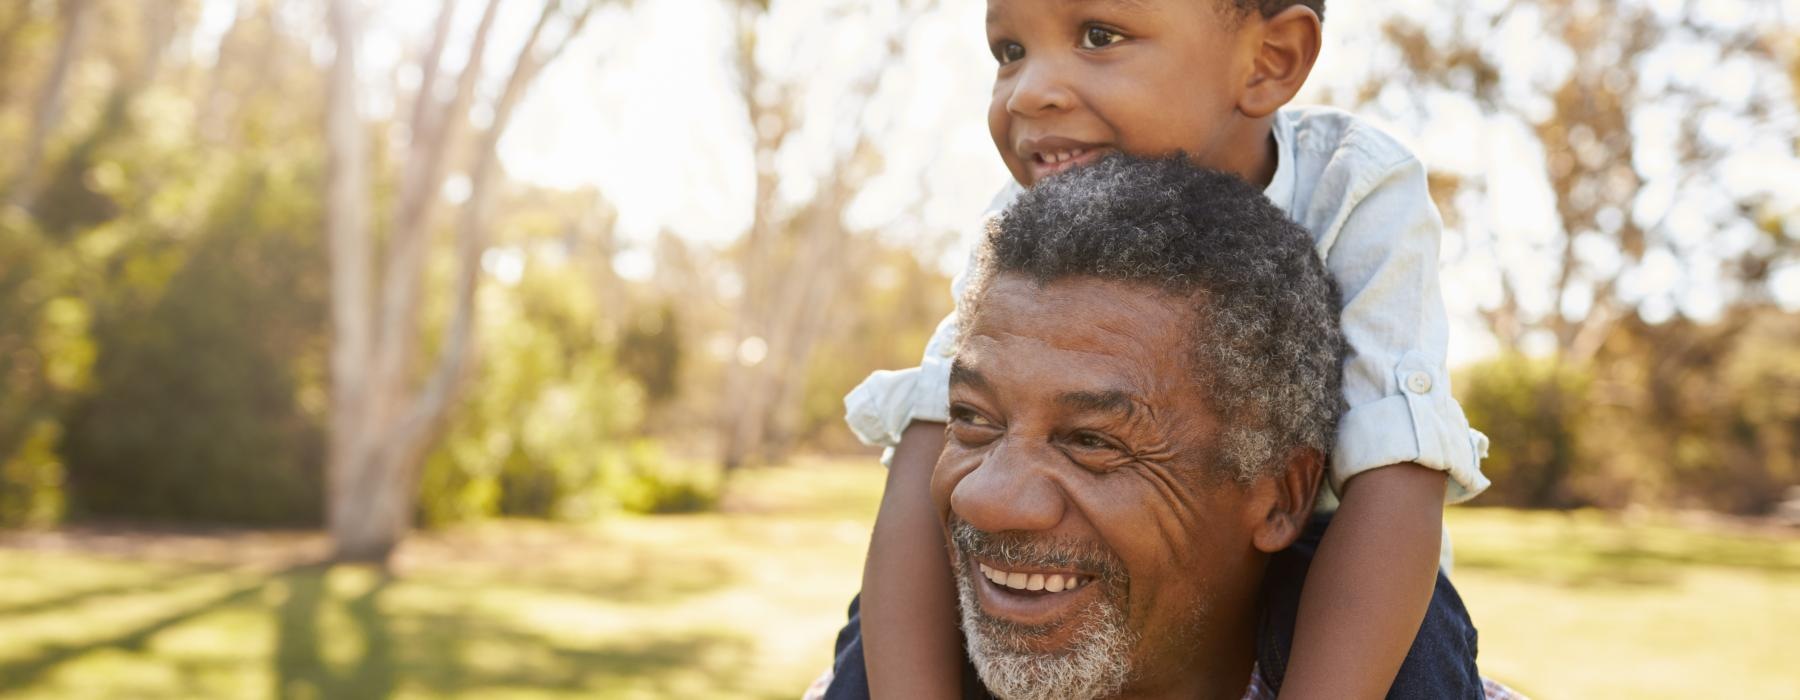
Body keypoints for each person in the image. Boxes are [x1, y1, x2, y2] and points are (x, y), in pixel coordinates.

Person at [838, 1, 1492, 697]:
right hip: (1089, 587)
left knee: (1420, 636)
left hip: (1338, 564)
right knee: (880, 634)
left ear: (1271, 59)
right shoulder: (1022, 218)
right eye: (1008, 51)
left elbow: (1400, 466)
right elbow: (930, 431)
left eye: (1099, 36)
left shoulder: (1354, 185)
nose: (1028, 90)